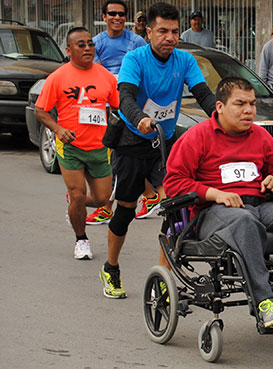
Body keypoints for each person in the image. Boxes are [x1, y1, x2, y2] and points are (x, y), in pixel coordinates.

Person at [163, 77, 273, 327]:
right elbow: (174, 183)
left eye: (252, 104)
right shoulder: (197, 137)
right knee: (245, 220)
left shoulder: (260, 136)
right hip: (212, 212)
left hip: (257, 205)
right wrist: (215, 193)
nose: (249, 110)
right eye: (240, 104)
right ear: (220, 107)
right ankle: (264, 303)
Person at [99, 2, 216, 299]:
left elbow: (203, 94)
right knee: (125, 210)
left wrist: (221, 117)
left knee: (174, 208)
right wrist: (140, 118)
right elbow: (125, 96)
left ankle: (164, 279)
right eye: (163, 31)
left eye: (175, 31)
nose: (170, 37)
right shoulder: (135, 59)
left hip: (164, 144)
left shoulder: (185, 60)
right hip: (131, 142)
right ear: (149, 32)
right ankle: (111, 267)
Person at [34, 27, 119, 260]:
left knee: (103, 199)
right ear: (68, 50)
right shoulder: (58, 77)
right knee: (79, 193)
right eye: (81, 45)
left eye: (90, 43)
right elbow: (40, 111)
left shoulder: (106, 77)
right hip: (70, 147)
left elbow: (117, 107)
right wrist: (59, 129)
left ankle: (74, 207)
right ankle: (81, 239)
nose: (87, 48)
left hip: (100, 146)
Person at [87, 0, 157, 225]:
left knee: (117, 157)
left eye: (121, 14)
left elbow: (146, 70)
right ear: (104, 16)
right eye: (112, 14)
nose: (117, 17)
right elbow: (94, 75)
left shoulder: (136, 41)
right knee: (117, 157)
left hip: (131, 109)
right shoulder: (97, 42)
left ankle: (107, 207)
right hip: (105, 108)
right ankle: (149, 195)